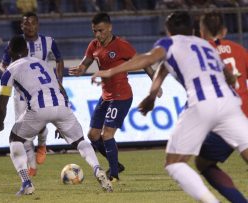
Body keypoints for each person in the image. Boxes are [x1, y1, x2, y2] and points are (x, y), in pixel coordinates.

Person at [91, 11, 248, 202]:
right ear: (193, 29)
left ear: (168, 31)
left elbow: (147, 59)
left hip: (201, 103)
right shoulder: (205, 46)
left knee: (174, 163)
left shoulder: (169, 43)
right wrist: (151, 94)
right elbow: (229, 76)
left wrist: (110, 71)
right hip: (231, 104)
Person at [0, 35, 113, 195]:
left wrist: (0, 125)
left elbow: (2, 104)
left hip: (38, 109)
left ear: (10, 52)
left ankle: (26, 182)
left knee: (15, 139)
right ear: (27, 49)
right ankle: (96, 168)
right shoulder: (44, 64)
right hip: (61, 106)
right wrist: (61, 120)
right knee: (80, 141)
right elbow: (61, 89)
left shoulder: (9, 70)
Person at [69, 12, 157, 182]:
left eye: (101, 30)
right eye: (94, 31)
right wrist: (80, 69)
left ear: (109, 27)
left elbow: (144, 63)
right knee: (93, 135)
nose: (98, 35)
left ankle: (114, 174)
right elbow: (85, 63)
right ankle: (116, 163)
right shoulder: (93, 45)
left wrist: (155, 83)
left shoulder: (122, 45)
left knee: (107, 134)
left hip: (121, 96)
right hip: (106, 96)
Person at [0, 12, 65, 176]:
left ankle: (42, 144)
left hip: (43, 92)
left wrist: (59, 81)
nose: (29, 26)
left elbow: (59, 60)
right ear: (21, 26)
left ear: (38, 25)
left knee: (41, 126)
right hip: (21, 95)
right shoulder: (15, 43)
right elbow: (3, 65)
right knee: (23, 130)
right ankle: (32, 165)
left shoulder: (48, 41)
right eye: (26, 24)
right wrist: (12, 77)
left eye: (32, 23)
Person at [194, 11, 248, 203]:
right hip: (245, 115)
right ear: (224, 30)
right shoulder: (240, 49)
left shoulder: (200, 53)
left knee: (203, 164)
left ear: (201, 31)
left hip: (224, 121)